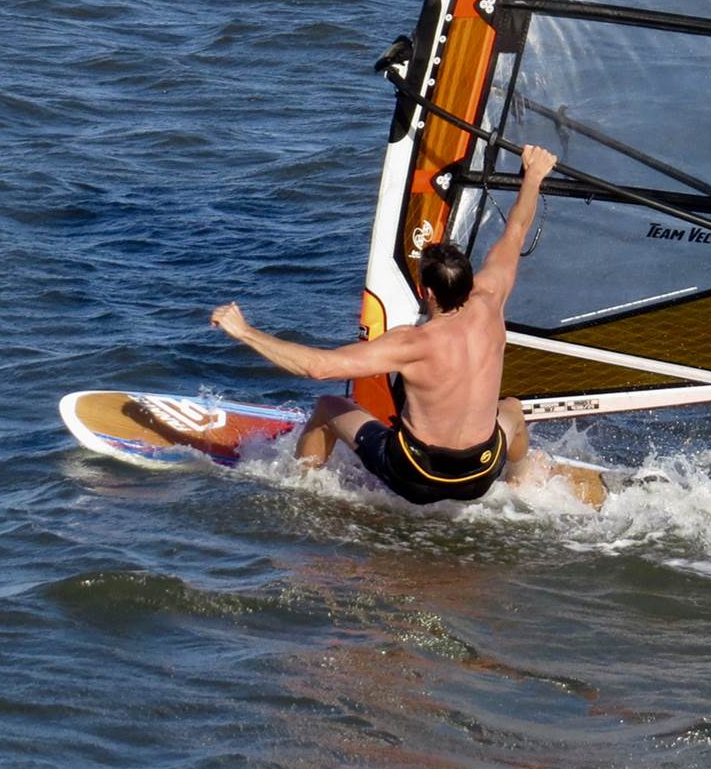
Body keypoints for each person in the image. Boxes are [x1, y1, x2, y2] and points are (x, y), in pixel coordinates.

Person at [209, 144, 558, 504]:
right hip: (480, 474)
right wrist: (533, 175)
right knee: (512, 409)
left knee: (328, 406)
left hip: (417, 476)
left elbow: (319, 367)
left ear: (426, 291)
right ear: (468, 284)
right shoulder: (491, 299)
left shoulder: (412, 344)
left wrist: (245, 331)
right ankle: (522, 487)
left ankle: (303, 490)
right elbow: (515, 232)